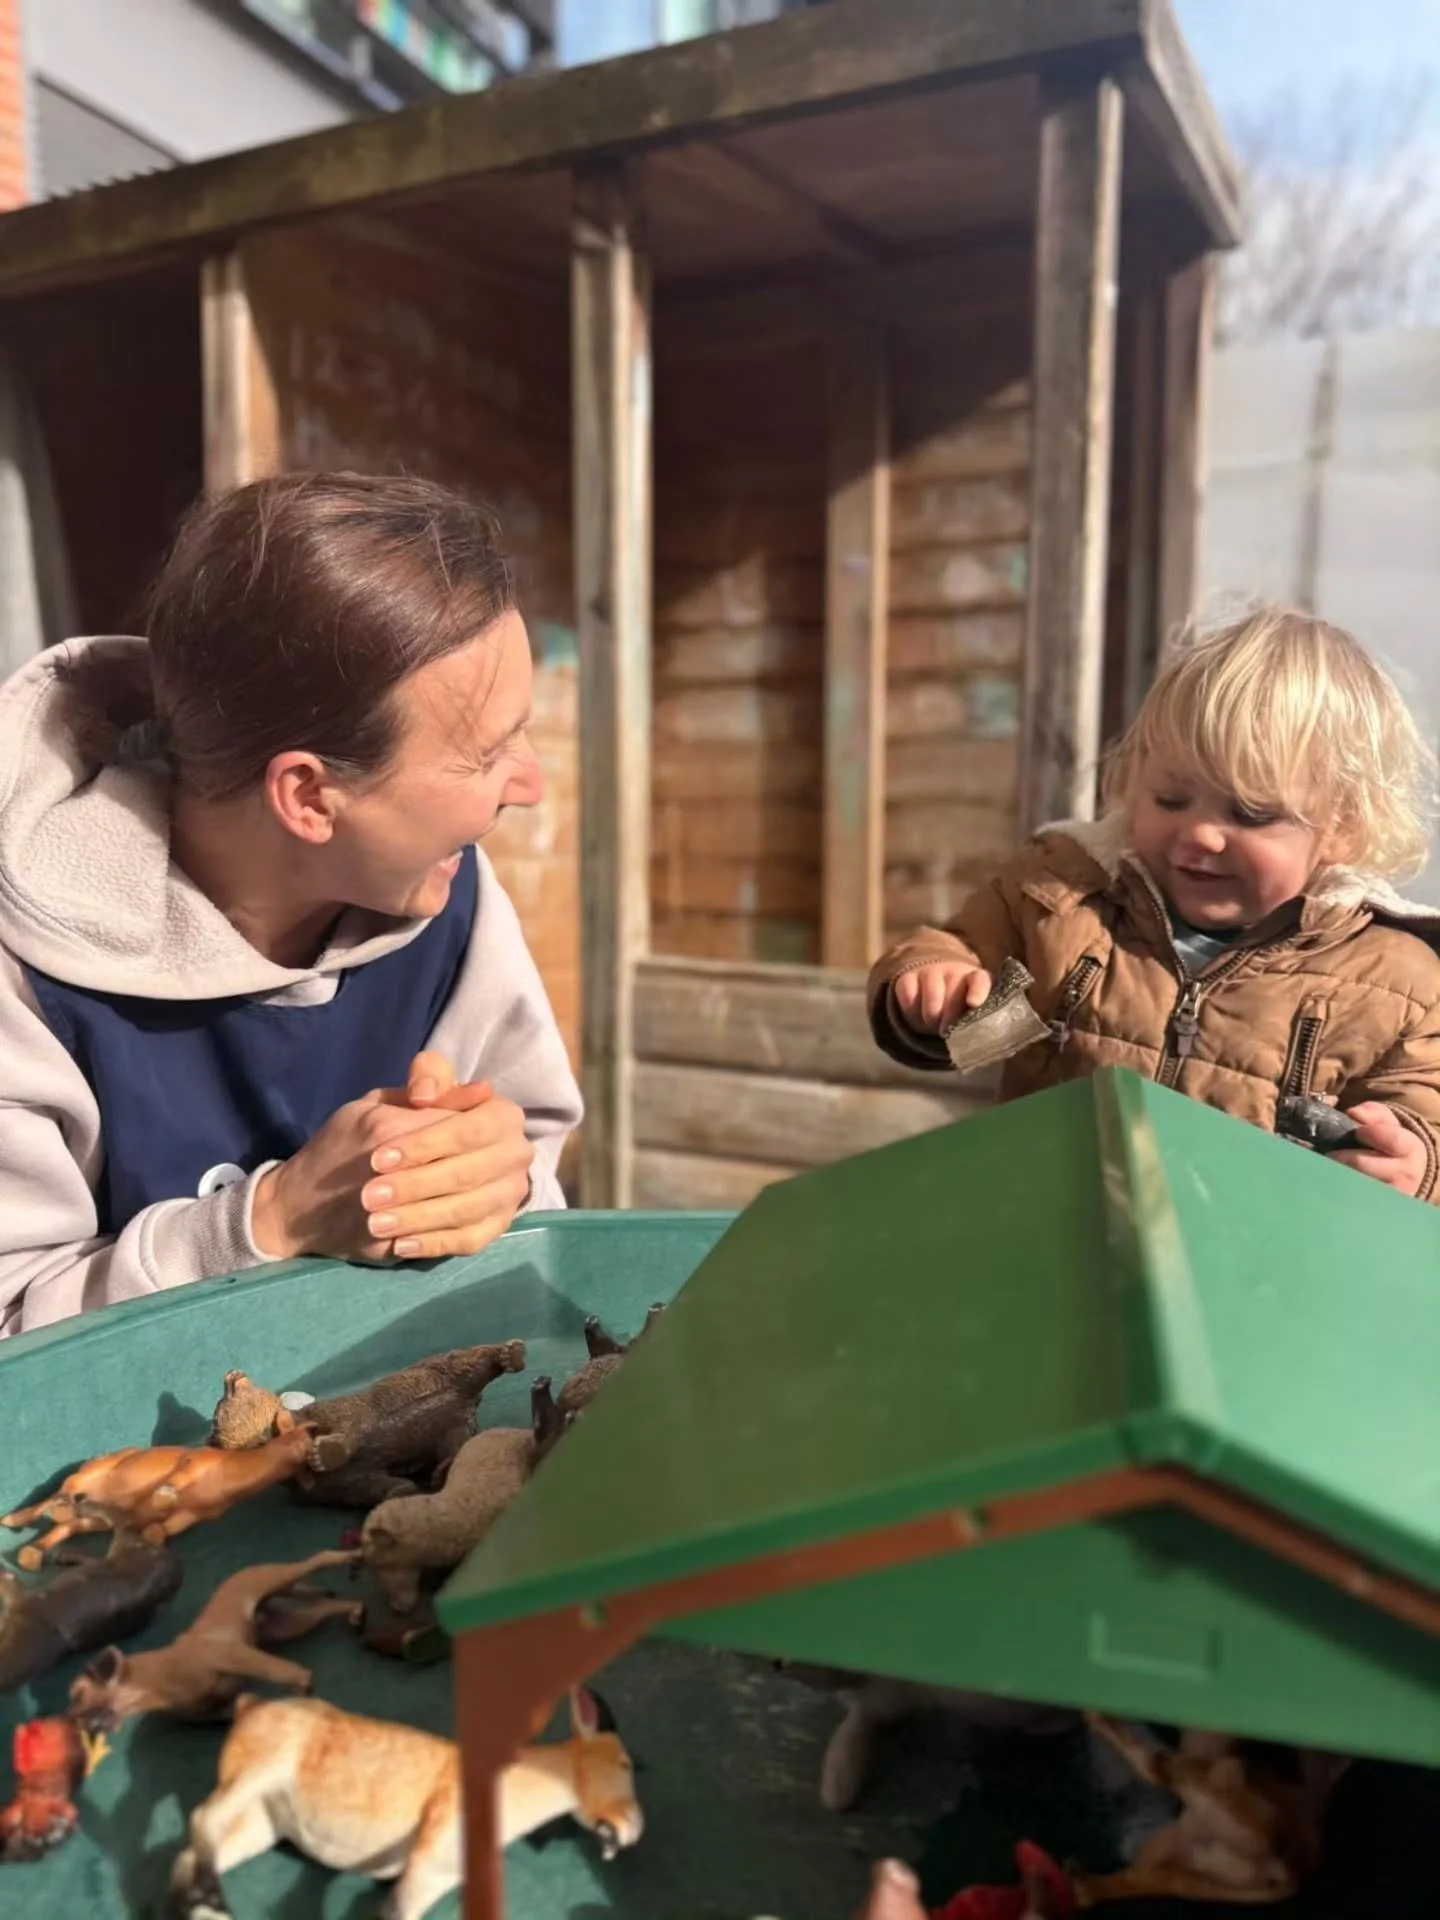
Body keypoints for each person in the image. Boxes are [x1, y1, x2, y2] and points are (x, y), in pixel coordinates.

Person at [0, 471, 582, 1338]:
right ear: (309, 797)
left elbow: (534, 1179)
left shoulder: (442, 892)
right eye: (487, 753)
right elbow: (14, 1332)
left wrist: (495, 1181)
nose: (531, 785)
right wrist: (271, 1222)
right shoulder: (33, 972)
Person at [868, 607, 1440, 1203]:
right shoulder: (1063, 900)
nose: (1199, 835)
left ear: (1342, 826)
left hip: (1251, 1263)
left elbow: (1426, 1106)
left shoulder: (1396, 980)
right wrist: (936, 990)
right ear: (1135, 775)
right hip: (1049, 1222)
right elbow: (978, 1017)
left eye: (1249, 814)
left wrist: (1417, 1163)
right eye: (1171, 799)